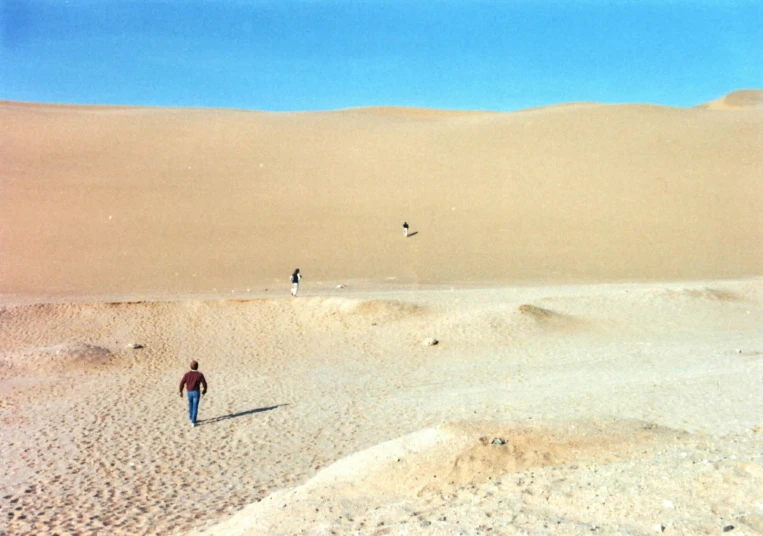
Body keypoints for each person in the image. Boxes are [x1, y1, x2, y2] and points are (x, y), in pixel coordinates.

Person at [179, 361, 207, 427]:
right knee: (195, 406)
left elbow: (182, 383)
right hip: (196, 392)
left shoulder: (187, 374)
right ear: (197, 367)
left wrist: (181, 391)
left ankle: (191, 417)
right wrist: (204, 390)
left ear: (190, 366)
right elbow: (204, 383)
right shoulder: (200, 374)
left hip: (189, 392)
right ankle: (193, 421)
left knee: (190, 405)